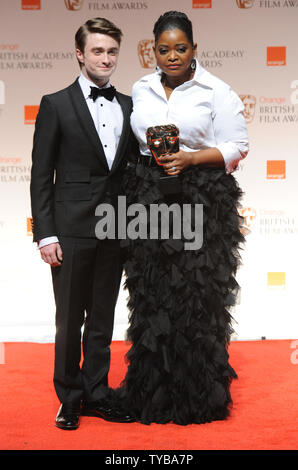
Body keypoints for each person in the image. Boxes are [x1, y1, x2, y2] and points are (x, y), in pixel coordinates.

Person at [114, 10, 249, 425]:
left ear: (194, 49)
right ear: (152, 51)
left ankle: (197, 396)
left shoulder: (216, 90)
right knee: (152, 295)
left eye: (180, 48)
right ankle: (152, 394)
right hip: (150, 199)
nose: (172, 56)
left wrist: (191, 158)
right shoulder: (140, 88)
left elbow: (236, 147)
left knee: (198, 300)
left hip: (202, 201)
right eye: (163, 49)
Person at [30, 17, 136, 430]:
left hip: (115, 228)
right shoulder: (55, 104)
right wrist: (45, 233)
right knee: (69, 319)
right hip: (70, 230)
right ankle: (69, 398)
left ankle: (97, 393)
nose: (105, 59)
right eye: (97, 50)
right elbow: (41, 175)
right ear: (80, 53)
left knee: (103, 319)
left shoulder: (129, 105)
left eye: (111, 51)